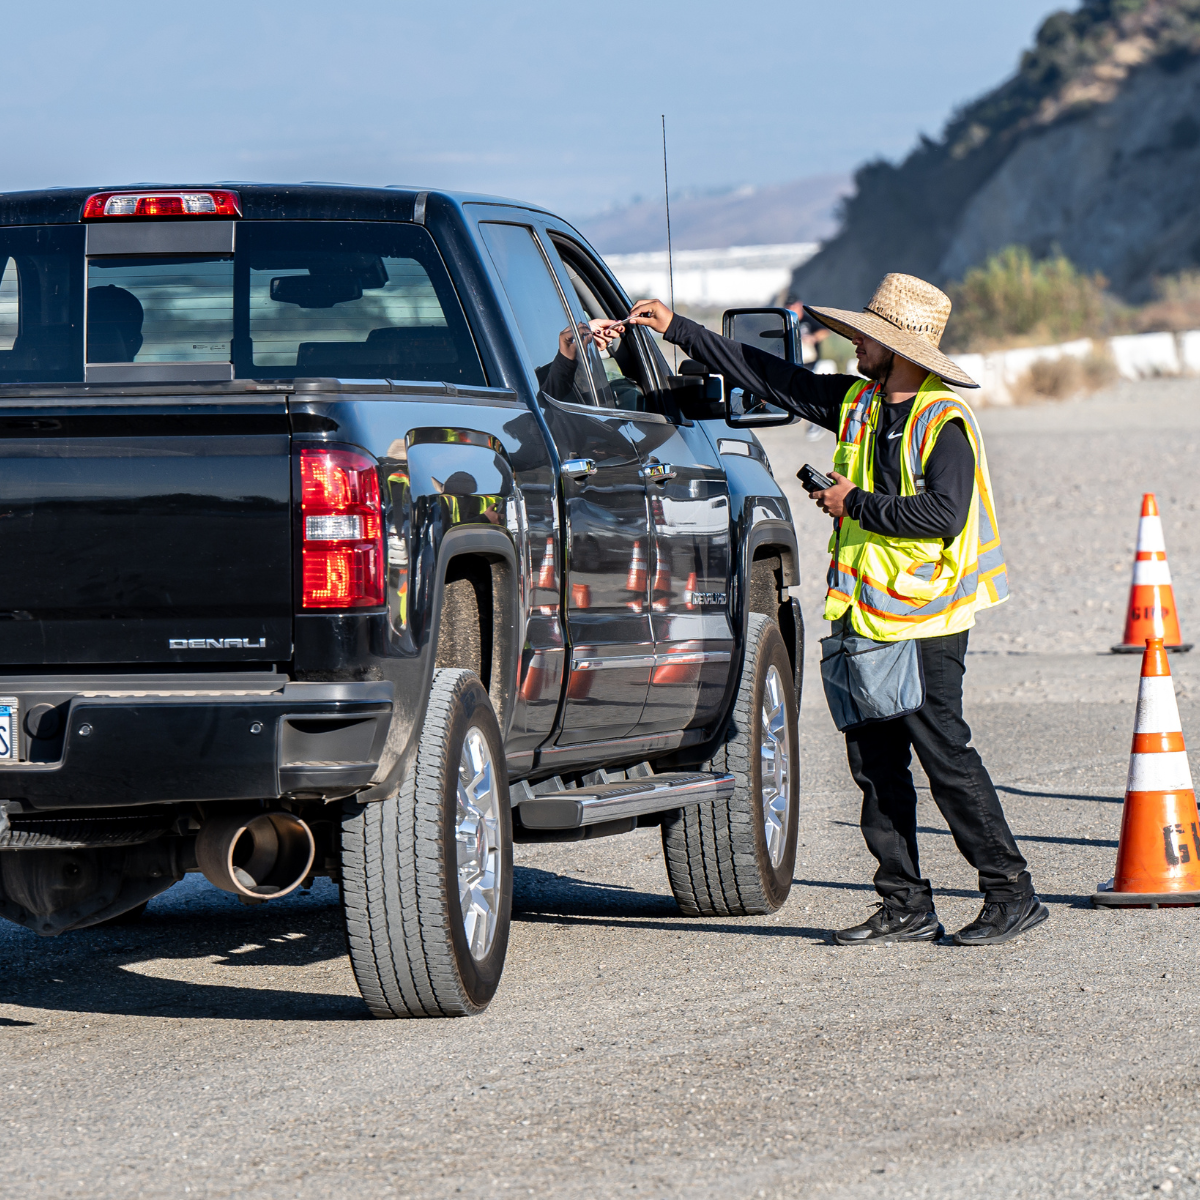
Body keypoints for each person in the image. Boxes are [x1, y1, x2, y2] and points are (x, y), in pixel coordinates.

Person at [619, 275, 1049, 947]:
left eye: (865, 338)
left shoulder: (946, 424)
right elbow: (770, 376)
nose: (854, 345)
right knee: (875, 764)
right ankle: (904, 903)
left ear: (899, 349)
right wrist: (679, 328)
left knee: (946, 760)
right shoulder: (860, 403)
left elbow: (942, 514)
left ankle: (1011, 892)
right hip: (866, 617)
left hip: (928, 619)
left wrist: (855, 505)